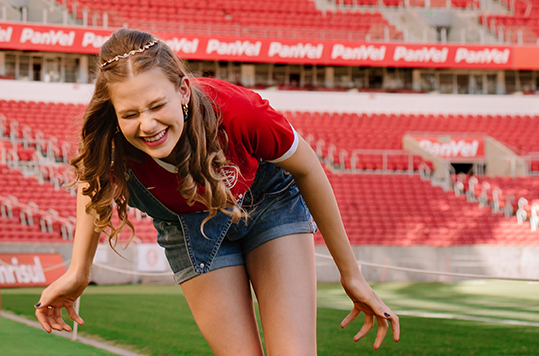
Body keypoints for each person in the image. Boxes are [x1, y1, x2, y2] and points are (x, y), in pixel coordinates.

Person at [35, 30, 401, 354]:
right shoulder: (111, 142)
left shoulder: (240, 112)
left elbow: (309, 169)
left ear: (182, 90)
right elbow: (93, 185)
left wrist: (350, 274)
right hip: (186, 227)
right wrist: (79, 271)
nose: (147, 125)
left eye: (157, 105)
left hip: (268, 203)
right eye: (129, 114)